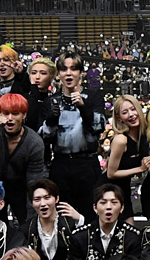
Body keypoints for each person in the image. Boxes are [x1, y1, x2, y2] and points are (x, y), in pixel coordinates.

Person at [39, 52, 105, 221]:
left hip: (87, 164)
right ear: (58, 74)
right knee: (63, 217)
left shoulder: (93, 96)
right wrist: (52, 120)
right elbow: (44, 137)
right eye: (64, 69)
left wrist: (84, 107)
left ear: (81, 73)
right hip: (61, 165)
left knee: (91, 215)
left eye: (73, 69)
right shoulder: (51, 101)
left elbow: (99, 127)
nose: (68, 73)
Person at [0, 93, 49, 224]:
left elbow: (34, 182)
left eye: (15, 114)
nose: (10, 118)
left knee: (26, 221)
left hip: (19, 186)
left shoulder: (34, 142)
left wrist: (32, 220)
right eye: (6, 113)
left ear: (24, 115)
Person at [68, 184, 141, 260]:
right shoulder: (79, 237)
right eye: (103, 202)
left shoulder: (133, 237)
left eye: (114, 202)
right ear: (95, 208)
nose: (108, 207)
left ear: (122, 208)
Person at [24, 179, 84, 260]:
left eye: (47, 198)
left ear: (56, 199)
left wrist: (80, 220)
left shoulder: (70, 222)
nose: (43, 203)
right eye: (37, 199)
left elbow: (85, 245)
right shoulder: (28, 228)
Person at [105, 95, 150, 224]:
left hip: (125, 190)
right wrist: (140, 169)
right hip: (110, 191)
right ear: (119, 118)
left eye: (133, 109)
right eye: (125, 112)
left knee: (130, 232)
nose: (131, 115)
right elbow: (111, 173)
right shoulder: (121, 140)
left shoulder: (144, 136)